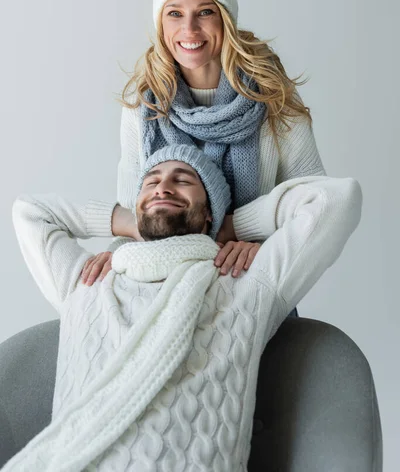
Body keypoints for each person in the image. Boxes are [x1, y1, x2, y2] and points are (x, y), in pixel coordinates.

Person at [5, 145, 362, 471]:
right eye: (151, 182)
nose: (162, 187)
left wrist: (236, 225)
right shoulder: (88, 280)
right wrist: (133, 221)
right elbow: (30, 212)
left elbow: (337, 200)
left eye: (183, 180)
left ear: (209, 212)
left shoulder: (246, 284)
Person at [82, 0, 326, 291]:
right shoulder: (144, 104)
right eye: (175, 14)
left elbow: (315, 202)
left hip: (251, 281)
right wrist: (119, 252)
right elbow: (137, 209)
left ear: (226, 18)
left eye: (205, 12)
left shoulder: (273, 97)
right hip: (163, 286)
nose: (190, 29)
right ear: (160, 23)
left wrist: (262, 246)